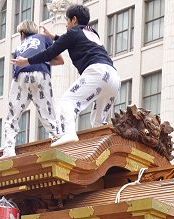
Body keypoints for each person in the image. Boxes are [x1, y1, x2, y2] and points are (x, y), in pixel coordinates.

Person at [12, 4, 119, 148]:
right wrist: (53, 36)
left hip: (97, 73)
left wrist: (26, 61)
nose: (66, 25)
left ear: (74, 20)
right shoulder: (92, 32)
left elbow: (50, 53)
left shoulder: (72, 33)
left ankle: (69, 133)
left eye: (67, 21)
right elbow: (72, 40)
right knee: (98, 123)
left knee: (67, 102)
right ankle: (106, 147)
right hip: (113, 78)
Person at [1, 20, 63, 158]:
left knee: (12, 116)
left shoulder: (19, 47)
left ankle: (9, 149)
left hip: (20, 76)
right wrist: (43, 61)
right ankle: (58, 140)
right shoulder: (44, 38)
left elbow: (16, 67)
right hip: (41, 74)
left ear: (22, 34)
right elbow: (60, 60)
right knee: (48, 113)